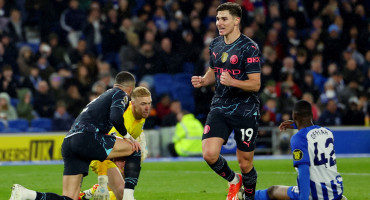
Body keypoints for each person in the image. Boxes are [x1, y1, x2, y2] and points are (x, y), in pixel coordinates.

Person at [9, 71, 140, 200]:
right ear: (131, 88)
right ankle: (129, 196)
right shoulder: (120, 93)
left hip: (69, 141)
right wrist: (128, 137)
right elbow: (116, 117)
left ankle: (27, 194)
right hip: (87, 137)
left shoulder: (103, 97)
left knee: (69, 198)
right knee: (135, 147)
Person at [191, 2, 261, 200]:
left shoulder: (249, 47)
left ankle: (249, 197)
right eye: (217, 19)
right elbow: (215, 70)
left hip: (245, 109)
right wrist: (205, 80)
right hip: (220, 105)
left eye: (224, 19)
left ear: (236, 20)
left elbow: (255, 84)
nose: (219, 23)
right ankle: (233, 180)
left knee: (245, 163)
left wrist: (233, 81)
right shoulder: (215, 44)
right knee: (209, 154)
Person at [255, 100, 346, 200]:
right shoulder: (327, 132)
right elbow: (311, 129)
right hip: (335, 190)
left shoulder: (299, 138)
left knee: (273, 191)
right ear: (312, 114)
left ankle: (246, 196)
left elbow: (304, 171)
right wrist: (295, 124)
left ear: (294, 116)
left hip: (317, 194)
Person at [79, 86, 152, 200]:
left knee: (120, 186)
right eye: (143, 104)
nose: (147, 107)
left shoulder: (141, 114)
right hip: (100, 155)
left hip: (115, 150)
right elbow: (104, 146)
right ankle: (96, 191)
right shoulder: (122, 120)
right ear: (133, 103)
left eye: (149, 103)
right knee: (122, 193)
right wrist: (116, 160)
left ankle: (88, 194)